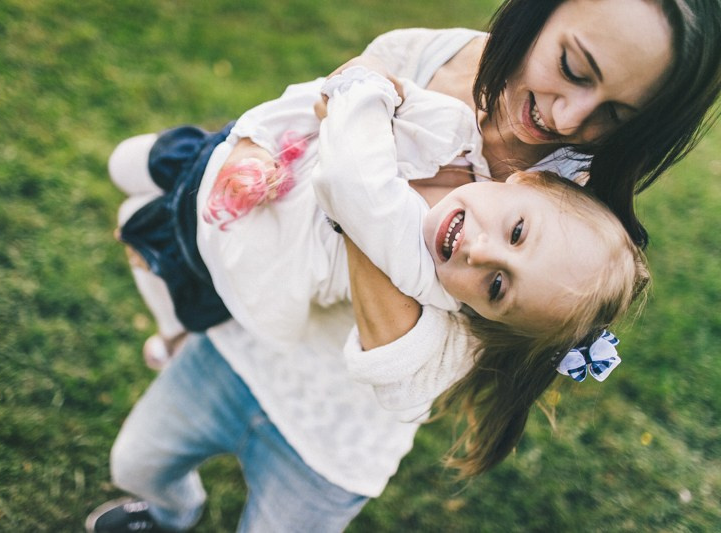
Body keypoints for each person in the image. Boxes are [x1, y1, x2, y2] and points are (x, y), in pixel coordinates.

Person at [86, 1, 721, 531]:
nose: (568, 119)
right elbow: (308, 128)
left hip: (337, 439)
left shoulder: (573, 221)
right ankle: (171, 513)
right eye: (572, 68)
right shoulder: (429, 55)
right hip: (242, 346)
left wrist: (363, 196)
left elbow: (411, 377)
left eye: (615, 115)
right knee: (137, 462)